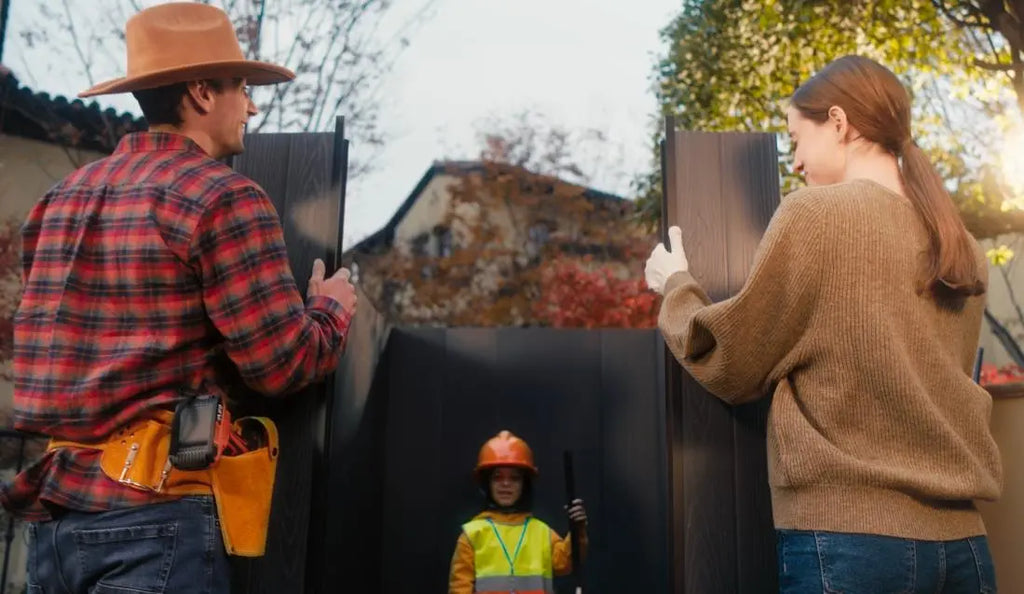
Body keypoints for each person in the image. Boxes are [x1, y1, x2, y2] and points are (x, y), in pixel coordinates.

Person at [3, 3, 356, 593]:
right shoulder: (225, 197)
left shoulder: (55, 201)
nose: (252, 104)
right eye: (241, 87)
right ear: (199, 91)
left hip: (55, 528)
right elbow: (283, 364)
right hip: (155, 519)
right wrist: (331, 309)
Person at [645, 55, 1002, 593]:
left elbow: (733, 361)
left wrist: (676, 285)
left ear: (839, 122)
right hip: (965, 550)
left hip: (853, 545)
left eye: (795, 139)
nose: (794, 162)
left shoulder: (816, 215)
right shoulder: (964, 251)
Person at [449, 430, 588, 594]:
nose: (505, 484)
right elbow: (460, 589)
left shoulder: (542, 533)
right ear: (487, 484)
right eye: (497, 477)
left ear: (525, 484)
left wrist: (577, 529)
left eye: (514, 478)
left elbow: (566, 563)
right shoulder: (472, 535)